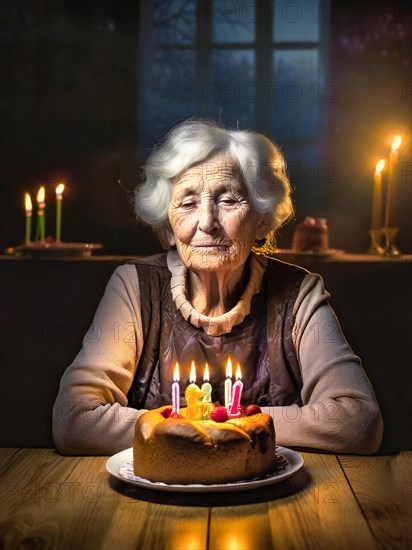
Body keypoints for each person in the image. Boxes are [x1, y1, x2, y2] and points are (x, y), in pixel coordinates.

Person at [52, 119, 383, 455]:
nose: (207, 223)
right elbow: (74, 421)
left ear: (261, 220)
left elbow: (358, 422)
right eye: (187, 203)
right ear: (168, 227)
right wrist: (232, 426)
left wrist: (203, 426)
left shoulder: (300, 294)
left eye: (228, 200)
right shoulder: (135, 286)